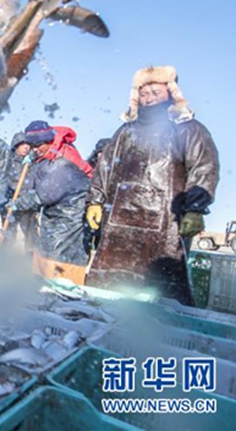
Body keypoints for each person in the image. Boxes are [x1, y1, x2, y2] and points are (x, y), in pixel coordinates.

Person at [86, 66, 219, 305]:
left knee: (162, 287)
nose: (148, 99)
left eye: (155, 92)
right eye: (144, 93)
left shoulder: (189, 130)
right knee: (109, 285)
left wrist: (195, 208)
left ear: (170, 92)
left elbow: (203, 168)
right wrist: (95, 200)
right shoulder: (126, 132)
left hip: (166, 222)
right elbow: (105, 167)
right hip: (119, 221)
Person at [13, 121, 93, 271]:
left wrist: (17, 204)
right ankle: (45, 289)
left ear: (48, 140)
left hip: (69, 216)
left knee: (60, 259)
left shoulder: (62, 161)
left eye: (37, 146)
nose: (34, 149)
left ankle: (64, 290)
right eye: (31, 146)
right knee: (45, 256)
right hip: (55, 213)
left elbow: (44, 195)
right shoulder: (46, 153)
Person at [2, 132, 37, 252]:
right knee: (8, 232)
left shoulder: (32, 162)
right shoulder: (7, 162)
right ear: (16, 145)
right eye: (22, 144)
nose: (26, 147)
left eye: (28, 144)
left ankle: (30, 261)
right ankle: (3, 256)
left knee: (30, 234)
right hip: (10, 201)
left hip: (27, 202)